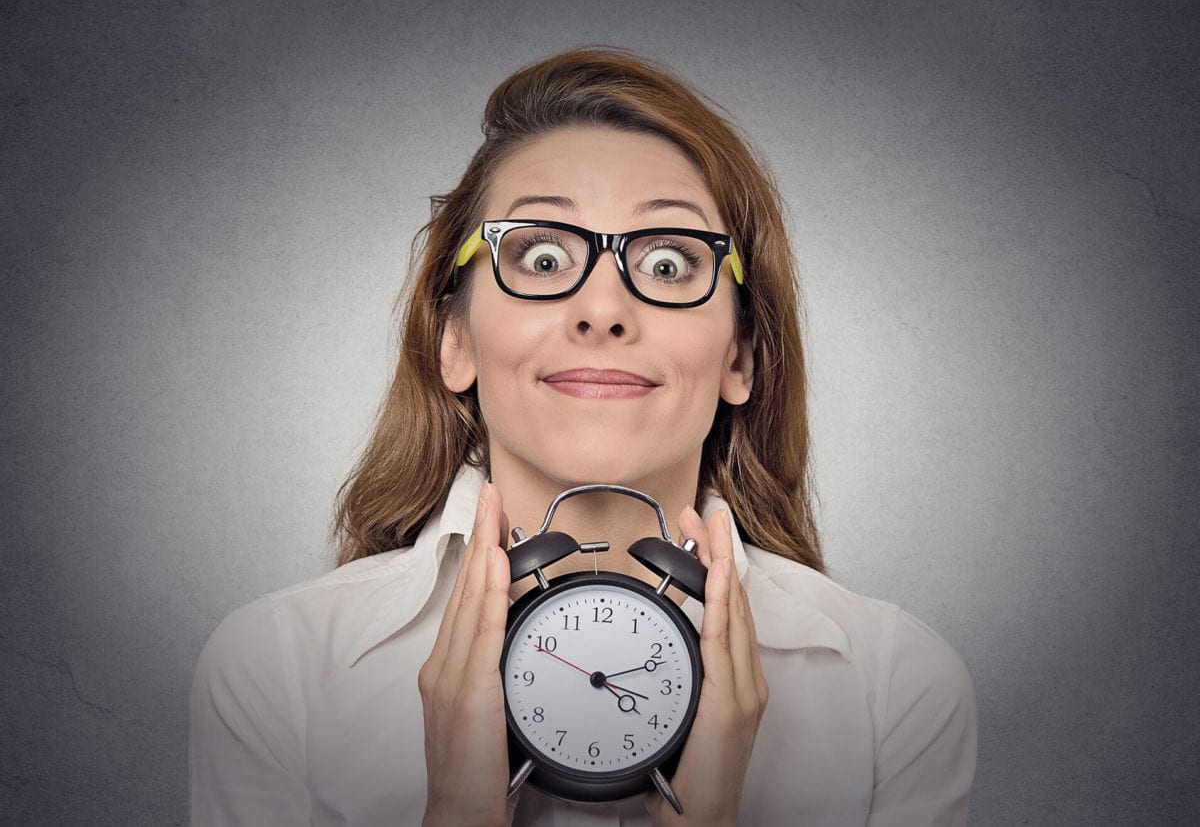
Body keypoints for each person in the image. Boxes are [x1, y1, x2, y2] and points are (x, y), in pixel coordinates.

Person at [189, 47, 977, 826]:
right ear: (454, 338)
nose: (602, 309)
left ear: (740, 356)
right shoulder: (276, 670)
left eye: (668, 263)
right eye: (540, 254)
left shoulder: (893, 688)